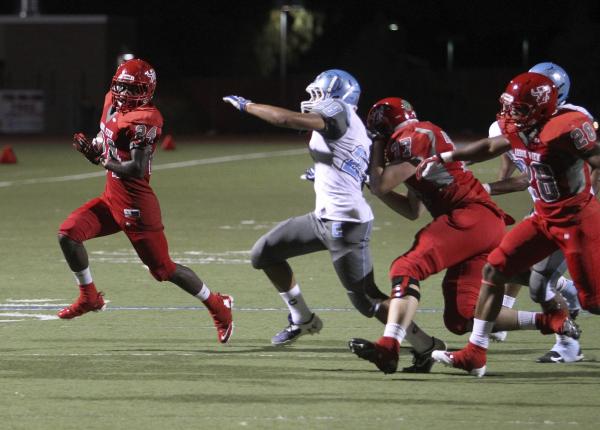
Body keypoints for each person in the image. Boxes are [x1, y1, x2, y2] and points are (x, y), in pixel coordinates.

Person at [347, 97, 577, 374]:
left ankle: (390, 345)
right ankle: (550, 321)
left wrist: (377, 146)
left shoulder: (411, 136)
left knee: (406, 267)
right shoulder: (418, 135)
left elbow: (383, 182)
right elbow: (412, 209)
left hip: (469, 217)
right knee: (462, 317)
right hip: (478, 222)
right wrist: (375, 187)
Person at [417, 71, 597, 376]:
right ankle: (475, 353)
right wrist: (447, 156)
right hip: (543, 217)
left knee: (593, 302)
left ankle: (558, 319)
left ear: (541, 108)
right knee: (495, 268)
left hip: (578, 220)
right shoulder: (518, 127)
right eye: (510, 107)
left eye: (520, 108)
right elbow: (490, 147)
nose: (511, 114)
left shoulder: (565, 127)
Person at [58, 58, 234, 344]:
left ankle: (218, 305)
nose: (125, 94)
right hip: (111, 198)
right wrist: (94, 149)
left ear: (147, 90)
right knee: (68, 234)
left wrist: (102, 159)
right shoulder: (110, 102)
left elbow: (136, 168)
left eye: (133, 89)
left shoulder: (146, 118)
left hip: (136, 206)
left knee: (164, 270)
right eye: (122, 87)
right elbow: (107, 141)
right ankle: (89, 296)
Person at [222, 69, 396, 347]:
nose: (313, 100)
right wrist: (324, 170)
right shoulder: (350, 124)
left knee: (367, 300)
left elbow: (285, 119)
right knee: (264, 253)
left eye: (319, 94)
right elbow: (351, 166)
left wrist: (248, 105)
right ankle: (302, 318)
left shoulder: (339, 110)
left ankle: (422, 341)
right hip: (323, 219)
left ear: (339, 96)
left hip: (345, 223)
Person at [485, 62, 589, 363]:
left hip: (570, 212)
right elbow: (518, 173)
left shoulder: (571, 121)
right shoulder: (508, 125)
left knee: (549, 283)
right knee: (507, 265)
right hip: (543, 209)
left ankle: (569, 341)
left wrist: (584, 199)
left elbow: (591, 164)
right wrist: (485, 188)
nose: (515, 109)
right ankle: (565, 294)